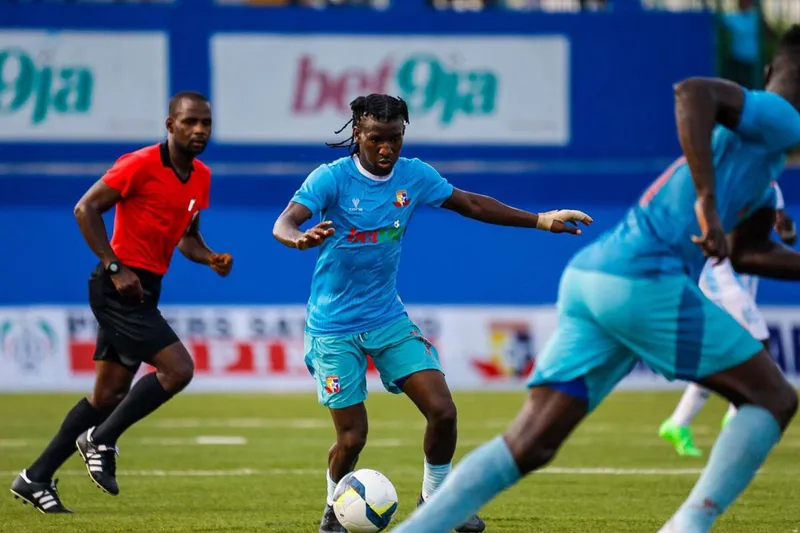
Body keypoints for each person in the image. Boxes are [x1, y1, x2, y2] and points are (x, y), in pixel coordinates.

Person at [389, 26, 800, 533]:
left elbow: (749, 252)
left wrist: (714, 208)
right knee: (774, 398)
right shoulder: (783, 117)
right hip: (644, 279)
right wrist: (707, 204)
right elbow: (693, 91)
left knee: (531, 444)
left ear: (764, 72)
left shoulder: (757, 164)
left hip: (594, 277)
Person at [272, 93, 592, 533]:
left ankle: (437, 502)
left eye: (395, 140)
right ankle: (333, 507)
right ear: (357, 136)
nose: (386, 150)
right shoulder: (331, 179)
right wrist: (300, 238)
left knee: (443, 411)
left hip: (387, 320)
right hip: (333, 330)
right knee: (352, 438)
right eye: (376, 140)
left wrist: (540, 219)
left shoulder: (414, 176)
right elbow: (284, 222)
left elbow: (472, 204)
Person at [10, 91, 233, 513]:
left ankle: (34, 478)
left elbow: (187, 236)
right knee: (178, 369)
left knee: (108, 395)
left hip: (146, 287)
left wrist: (210, 258)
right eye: (189, 122)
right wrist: (114, 267)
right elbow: (85, 209)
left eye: (205, 122)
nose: (199, 130)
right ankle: (99, 440)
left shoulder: (200, 175)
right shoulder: (140, 164)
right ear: (171, 126)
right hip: (117, 288)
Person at [660, 182, 797, 457]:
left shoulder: (772, 187)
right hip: (720, 279)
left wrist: (787, 227)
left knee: (727, 356)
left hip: (743, 284)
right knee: (757, 347)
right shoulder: (728, 178)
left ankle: (678, 422)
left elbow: (787, 237)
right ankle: (737, 422)